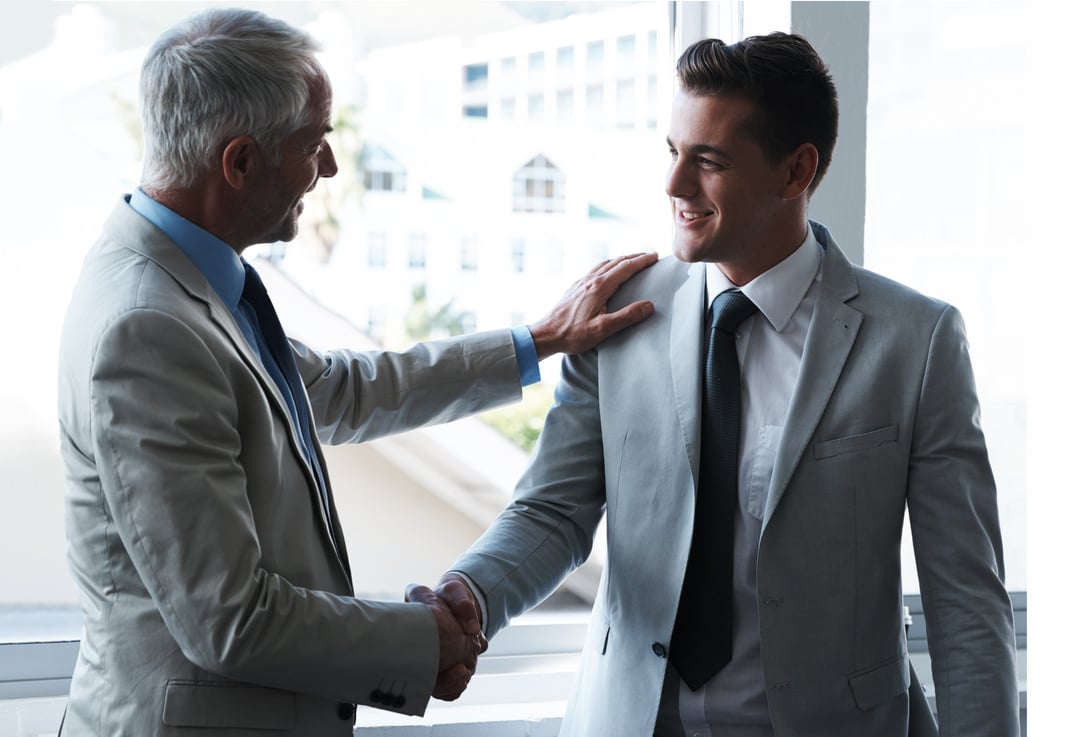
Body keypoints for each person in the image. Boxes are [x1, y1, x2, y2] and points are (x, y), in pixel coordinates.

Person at [55, 8, 656, 736]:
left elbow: (340, 391)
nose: (330, 168)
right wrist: (424, 639)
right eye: (315, 144)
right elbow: (231, 621)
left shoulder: (194, 278)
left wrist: (539, 339)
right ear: (239, 162)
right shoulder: (147, 326)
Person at [429, 33, 1020, 737]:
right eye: (673, 152)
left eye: (707, 161)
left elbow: (965, 600)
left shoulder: (915, 342)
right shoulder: (616, 315)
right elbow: (552, 512)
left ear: (795, 170)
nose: (675, 185)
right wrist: (470, 592)